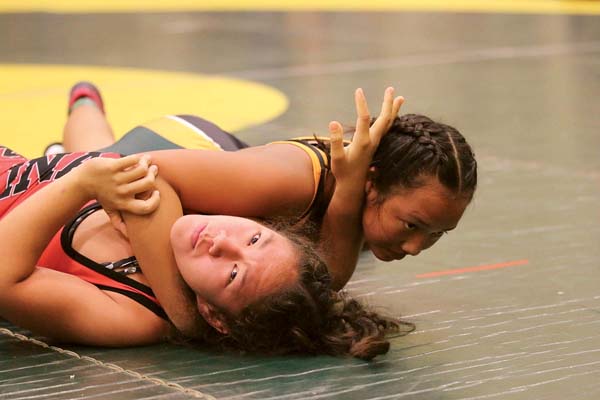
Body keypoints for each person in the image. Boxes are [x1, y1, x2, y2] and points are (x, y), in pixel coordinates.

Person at [0, 88, 410, 360]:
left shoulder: (136, 313)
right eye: (255, 238)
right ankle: (84, 105)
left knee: (96, 155)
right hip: (21, 166)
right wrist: (349, 189)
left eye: (232, 274)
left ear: (213, 315)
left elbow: (4, 280)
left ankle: (78, 116)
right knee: (99, 152)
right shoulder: (204, 210)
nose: (222, 242)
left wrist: (80, 185)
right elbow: (328, 269)